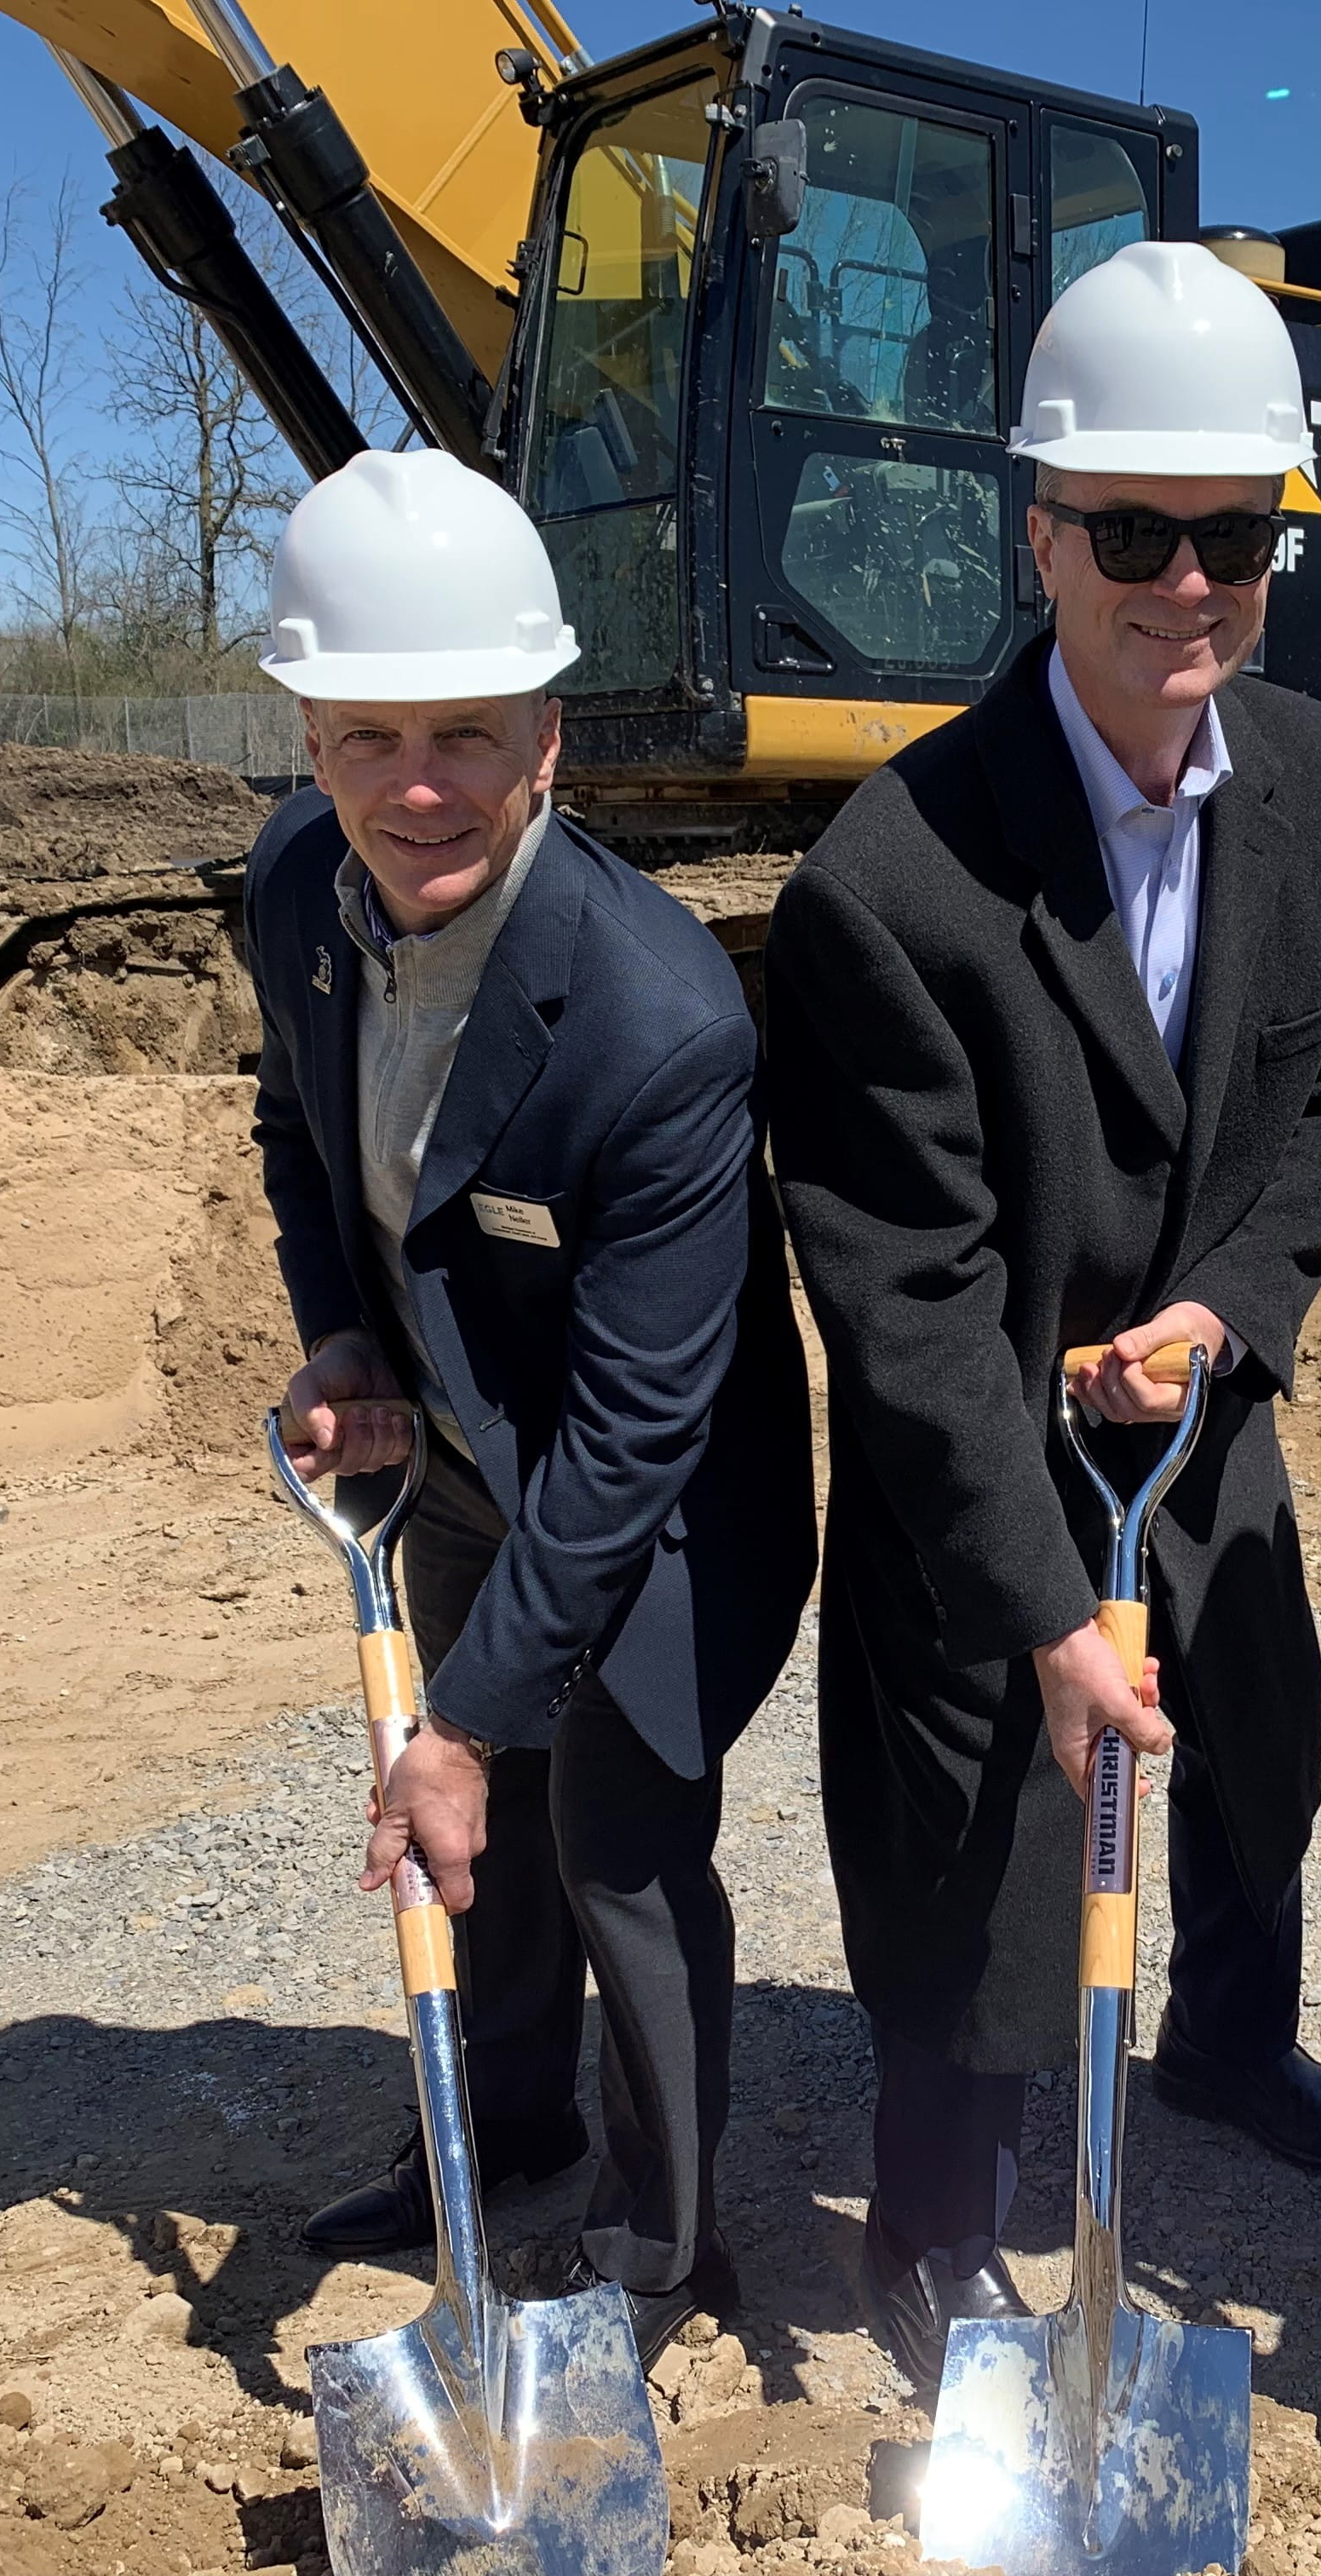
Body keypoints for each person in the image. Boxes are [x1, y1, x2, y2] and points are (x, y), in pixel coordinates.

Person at [761, 240, 1321, 2391]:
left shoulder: (1318, 785)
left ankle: (1238, 2049)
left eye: (1233, 536)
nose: (1185, 585)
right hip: (991, 1472)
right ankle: (934, 2222)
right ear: (1039, 533)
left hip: (1203, 1421)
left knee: (1257, 1755)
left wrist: (1229, 1309)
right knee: (982, 1841)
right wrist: (1047, 1610)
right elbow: (911, 1306)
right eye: (1130, 533)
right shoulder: (896, 882)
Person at [245, 449, 813, 2360]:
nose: (422, 785)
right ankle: (494, 2138)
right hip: (475, 1459)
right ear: (311, 734)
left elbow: (645, 1431)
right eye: (371, 734)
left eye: (470, 733)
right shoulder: (294, 897)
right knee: (480, 1868)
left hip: (655, 1507)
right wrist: (346, 1336)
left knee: (614, 1851)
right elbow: (295, 1123)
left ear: (550, 737)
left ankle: (668, 2244)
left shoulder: (659, 1022)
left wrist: (473, 1724)